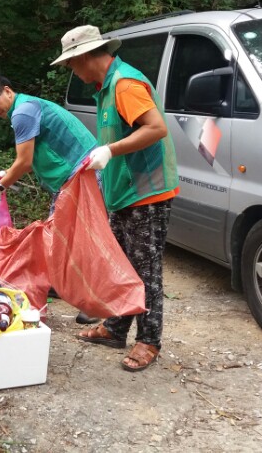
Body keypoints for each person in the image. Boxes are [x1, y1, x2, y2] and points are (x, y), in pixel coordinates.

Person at [52, 25, 179, 372]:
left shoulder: (125, 84)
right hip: (124, 192)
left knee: (145, 269)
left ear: (84, 57)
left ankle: (149, 340)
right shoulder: (104, 88)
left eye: (72, 65)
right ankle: (116, 328)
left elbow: (155, 128)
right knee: (120, 264)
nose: (72, 72)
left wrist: (109, 150)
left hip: (147, 192)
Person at [0, 76, 102, 325]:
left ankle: (95, 302)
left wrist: (0, 187)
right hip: (72, 175)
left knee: (81, 238)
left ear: (7, 90)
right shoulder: (26, 108)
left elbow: (24, 162)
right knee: (58, 235)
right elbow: (32, 155)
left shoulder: (22, 112)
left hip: (82, 172)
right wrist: (6, 173)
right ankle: (61, 283)